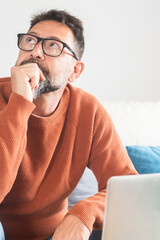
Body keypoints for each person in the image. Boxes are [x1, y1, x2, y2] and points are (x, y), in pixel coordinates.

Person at [0, 9, 138, 240]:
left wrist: (82, 214)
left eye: (53, 45)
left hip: (59, 234)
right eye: (30, 40)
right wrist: (20, 103)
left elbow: (128, 188)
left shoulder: (87, 111)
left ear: (75, 71)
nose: (35, 51)